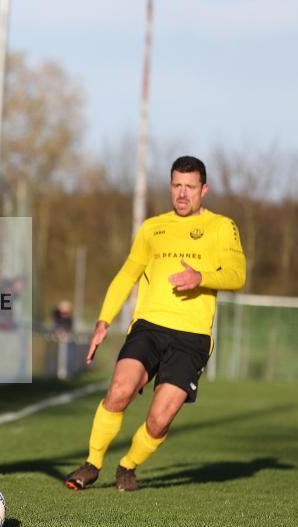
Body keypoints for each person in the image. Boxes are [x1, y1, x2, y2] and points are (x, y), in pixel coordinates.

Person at [64, 156, 246, 492]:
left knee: (159, 419)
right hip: (149, 326)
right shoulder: (152, 228)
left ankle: (128, 466)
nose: (182, 193)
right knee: (119, 391)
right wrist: (103, 320)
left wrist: (201, 277)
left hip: (192, 337)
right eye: (177, 185)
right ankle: (91, 463)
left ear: (204, 190)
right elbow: (127, 275)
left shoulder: (222, 227)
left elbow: (237, 274)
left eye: (190, 187)